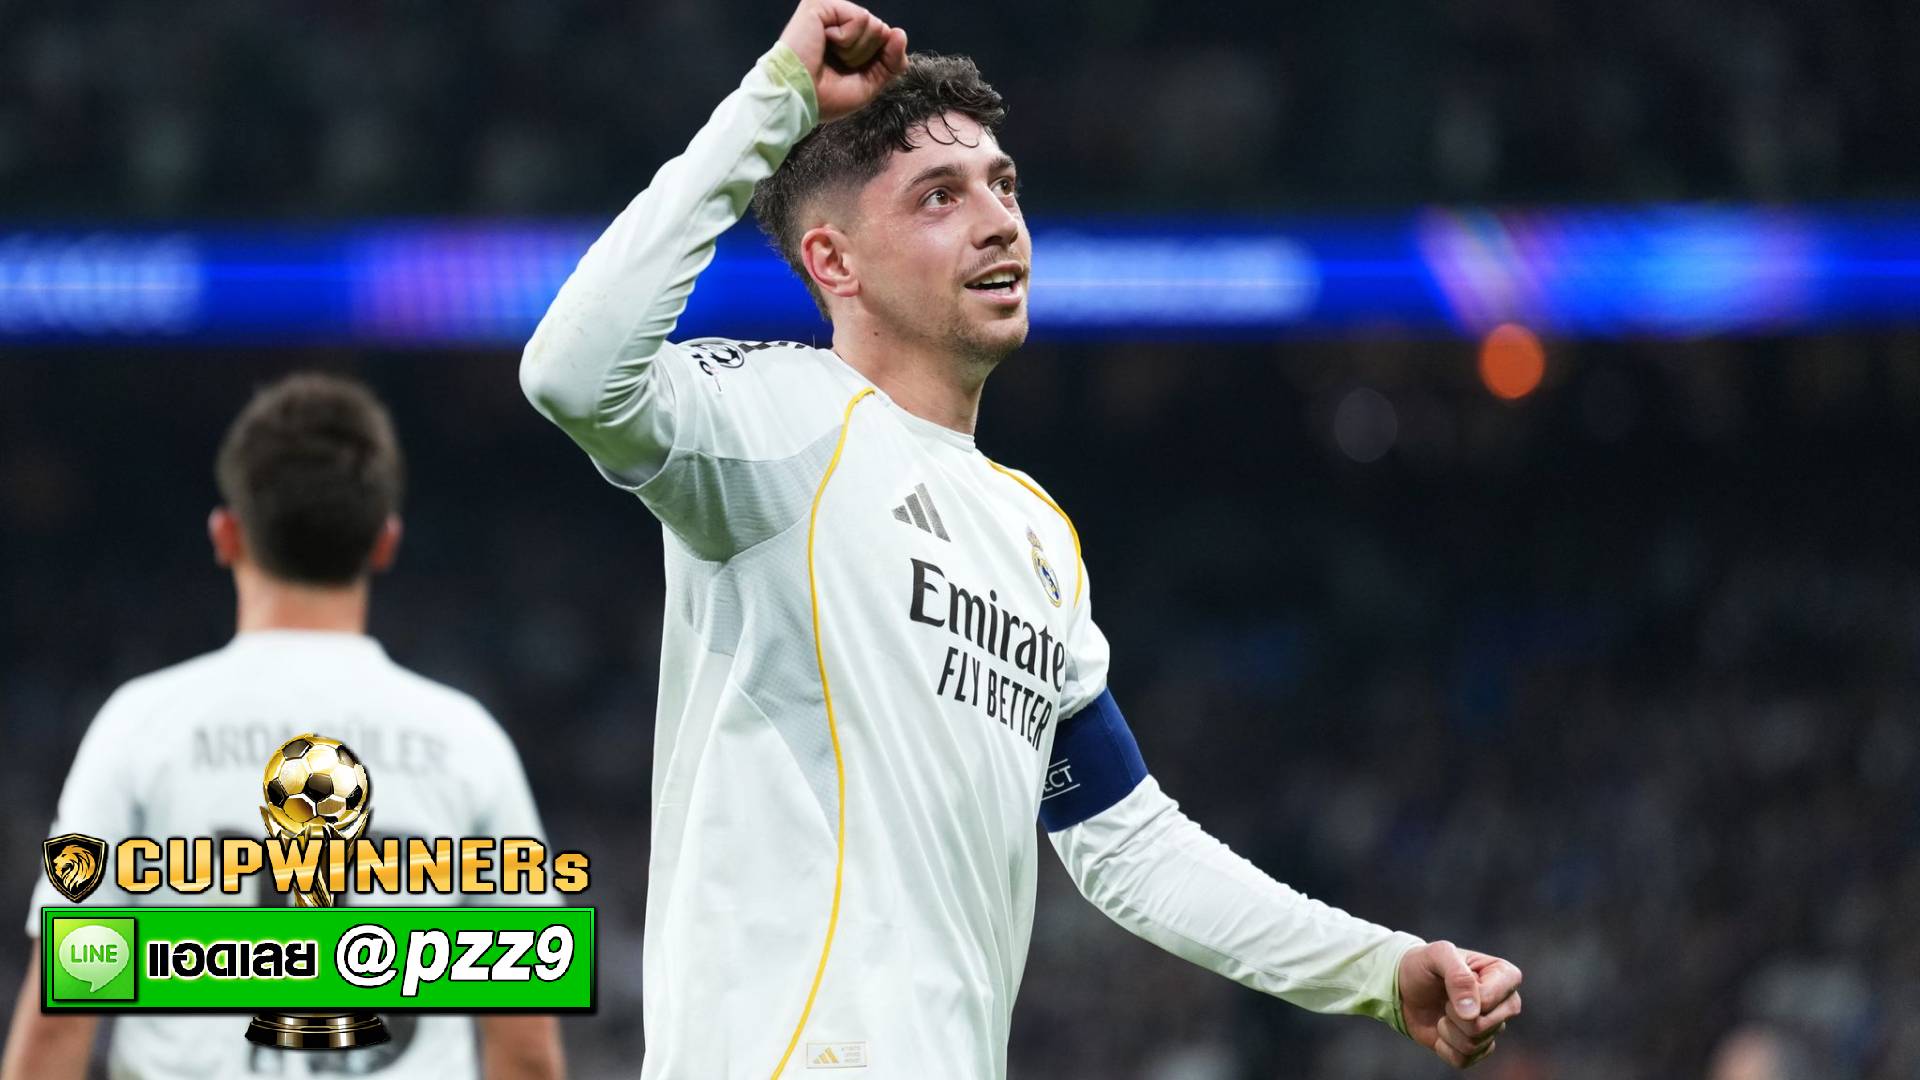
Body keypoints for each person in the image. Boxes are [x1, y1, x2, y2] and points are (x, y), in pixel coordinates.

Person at [518, 1, 1521, 1075]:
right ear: (834, 262)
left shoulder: (1030, 531)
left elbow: (1129, 843)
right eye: (939, 197)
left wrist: (1380, 970)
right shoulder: (772, 420)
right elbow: (569, 371)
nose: (999, 220)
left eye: (1004, 185)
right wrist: (776, 99)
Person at [1, 373, 566, 1080]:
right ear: (385, 541)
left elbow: (64, 1017)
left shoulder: (139, 724)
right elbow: (527, 1049)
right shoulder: (468, 740)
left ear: (226, 535)